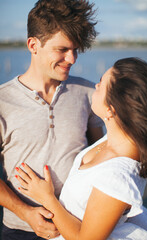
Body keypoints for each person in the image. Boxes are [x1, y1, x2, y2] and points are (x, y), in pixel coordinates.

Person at [16, 57, 147, 240]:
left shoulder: (117, 177)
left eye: (100, 84)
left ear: (111, 110)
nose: (95, 86)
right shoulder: (118, 136)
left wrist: (47, 198)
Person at [0, 0, 104, 239]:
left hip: (79, 226)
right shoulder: (2, 101)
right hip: (20, 230)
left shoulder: (89, 92)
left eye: (76, 49)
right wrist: (25, 212)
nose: (72, 59)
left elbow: (99, 155)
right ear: (33, 45)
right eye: (62, 49)